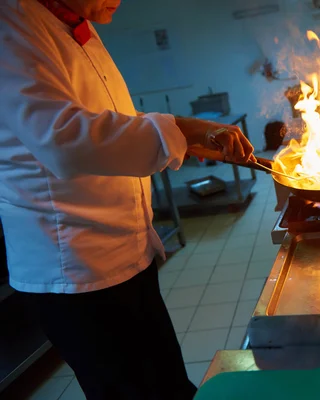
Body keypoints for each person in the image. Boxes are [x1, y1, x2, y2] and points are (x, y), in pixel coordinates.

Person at [0, 0, 254, 399]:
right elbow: (64, 138)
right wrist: (179, 132)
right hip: (76, 268)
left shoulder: (75, 22)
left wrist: (185, 135)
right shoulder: (10, 24)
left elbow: (107, 116)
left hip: (124, 252)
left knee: (168, 385)